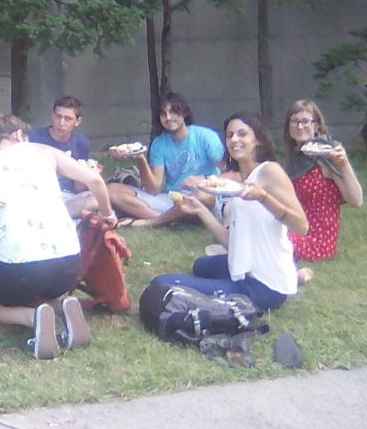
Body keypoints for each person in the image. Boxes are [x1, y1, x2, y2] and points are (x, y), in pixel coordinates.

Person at [0, 108, 117, 360]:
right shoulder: (46, 152)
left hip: (18, 268)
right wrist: (108, 214)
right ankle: (62, 308)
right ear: (19, 135)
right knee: (35, 289)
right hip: (67, 265)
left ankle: (33, 318)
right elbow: (96, 181)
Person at [151, 113, 307, 312]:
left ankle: (287, 279)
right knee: (201, 266)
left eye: (242, 134)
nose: (234, 140)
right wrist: (199, 209)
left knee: (161, 284)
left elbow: (301, 226)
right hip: (242, 266)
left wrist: (264, 197)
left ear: (258, 139)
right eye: (230, 135)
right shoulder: (239, 178)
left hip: (265, 285)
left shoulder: (270, 172)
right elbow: (230, 242)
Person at [108, 92, 225, 227]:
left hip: (202, 198)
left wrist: (204, 179)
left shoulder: (206, 136)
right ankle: (166, 219)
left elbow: (228, 173)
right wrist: (140, 158)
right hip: (172, 199)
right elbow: (153, 189)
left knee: (204, 197)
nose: (168, 118)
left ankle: (151, 221)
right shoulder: (159, 143)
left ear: (184, 113)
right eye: (163, 114)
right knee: (111, 190)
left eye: (173, 112)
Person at [282, 99, 363, 261]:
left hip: (317, 241)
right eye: (295, 121)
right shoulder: (292, 161)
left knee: (267, 237)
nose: (300, 126)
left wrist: (344, 164)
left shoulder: (327, 156)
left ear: (317, 125)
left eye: (305, 121)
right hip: (297, 229)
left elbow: (356, 201)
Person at [29, 95, 98, 217]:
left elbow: (79, 189)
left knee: (97, 199)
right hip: (40, 192)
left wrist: (89, 172)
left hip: (69, 196)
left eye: (68, 119)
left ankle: (56, 214)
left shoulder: (81, 142)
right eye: (58, 116)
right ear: (52, 115)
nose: (61, 123)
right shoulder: (34, 137)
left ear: (77, 122)